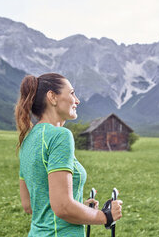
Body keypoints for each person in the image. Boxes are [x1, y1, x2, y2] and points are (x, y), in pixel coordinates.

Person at [15, 73, 123, 236]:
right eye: (72, 93)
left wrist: (80, 209)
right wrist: (105, 216)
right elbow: (63, 207)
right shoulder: (60, 136)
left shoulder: (27, 140)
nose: (77, 100)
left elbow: (29, 205)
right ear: (52, 97)